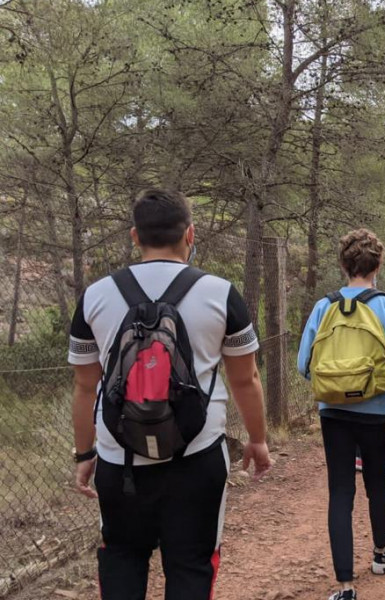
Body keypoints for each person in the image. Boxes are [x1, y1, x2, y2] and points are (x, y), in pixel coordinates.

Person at [69, 189, 271, 600]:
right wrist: (258, 439)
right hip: (197, 459)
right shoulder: (220, 293)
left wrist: (85, 454)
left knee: (122, 559)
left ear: (134, 236)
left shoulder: (95, 296)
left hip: (119, 462)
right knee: (192, 567)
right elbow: (245, 378)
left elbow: (85, 386)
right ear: (190, 234)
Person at [298, 229, 385, 600]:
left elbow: (305, 365)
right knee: (377, 483)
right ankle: (381, 554)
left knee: (340, 491)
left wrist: (337, 381)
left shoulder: (323, 307)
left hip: (333, 412)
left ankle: (346, 586)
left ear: (343, 265)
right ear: (378, 265)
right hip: (375, 412)